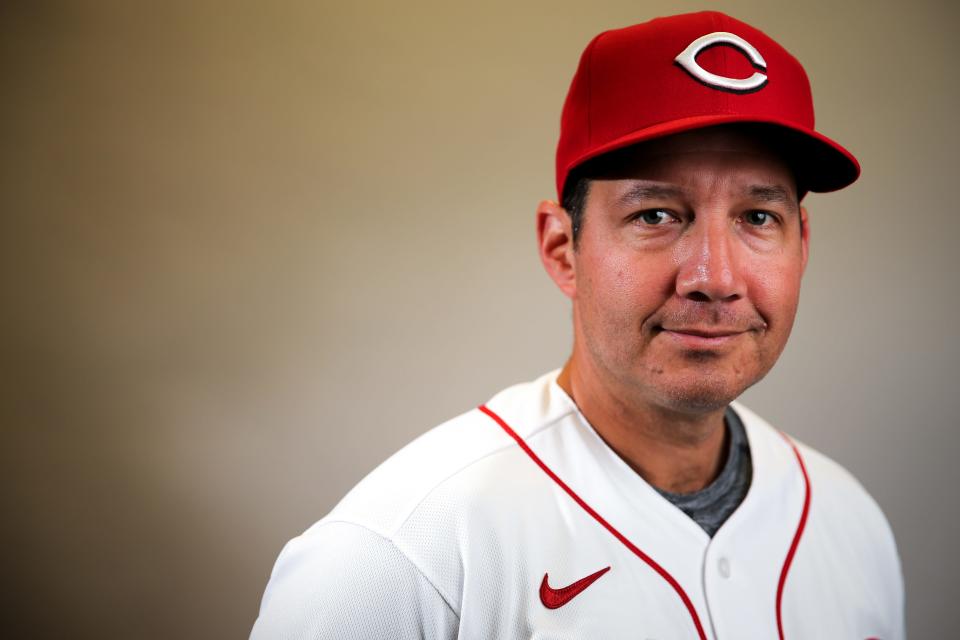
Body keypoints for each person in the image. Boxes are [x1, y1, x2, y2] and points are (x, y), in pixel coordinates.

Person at [251, 11, 904, 640]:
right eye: (655, 214)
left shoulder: (851, 523)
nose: (714, 276)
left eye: (759, 218)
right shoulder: (400, 556)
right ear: (563, 249)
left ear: (803, 245)